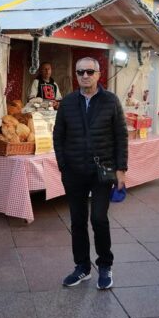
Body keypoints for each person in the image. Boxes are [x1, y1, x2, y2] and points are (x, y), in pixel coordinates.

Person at [54, 57, 127, 290]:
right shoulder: (67, 103)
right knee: (77, 221)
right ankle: (82, 267)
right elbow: (58, 136)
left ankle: (105, 265)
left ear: (98, 74)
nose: (84, 76)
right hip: (74, 172)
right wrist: (63, 166)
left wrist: (121, 169)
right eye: (80, 72)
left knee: (98, 218)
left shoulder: (111, 101)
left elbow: (121, 136)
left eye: (89, 72)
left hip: (101, 172)